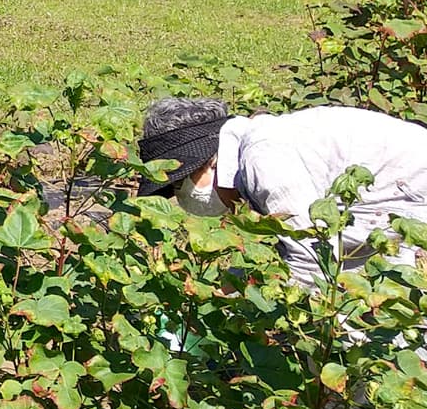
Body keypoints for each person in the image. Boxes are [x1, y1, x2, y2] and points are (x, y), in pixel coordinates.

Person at [137, 98, 427, 289]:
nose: (181, 194)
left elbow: (313, 257)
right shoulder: (257, 143)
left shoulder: (262, 160)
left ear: (209, 160)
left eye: (179, 182)